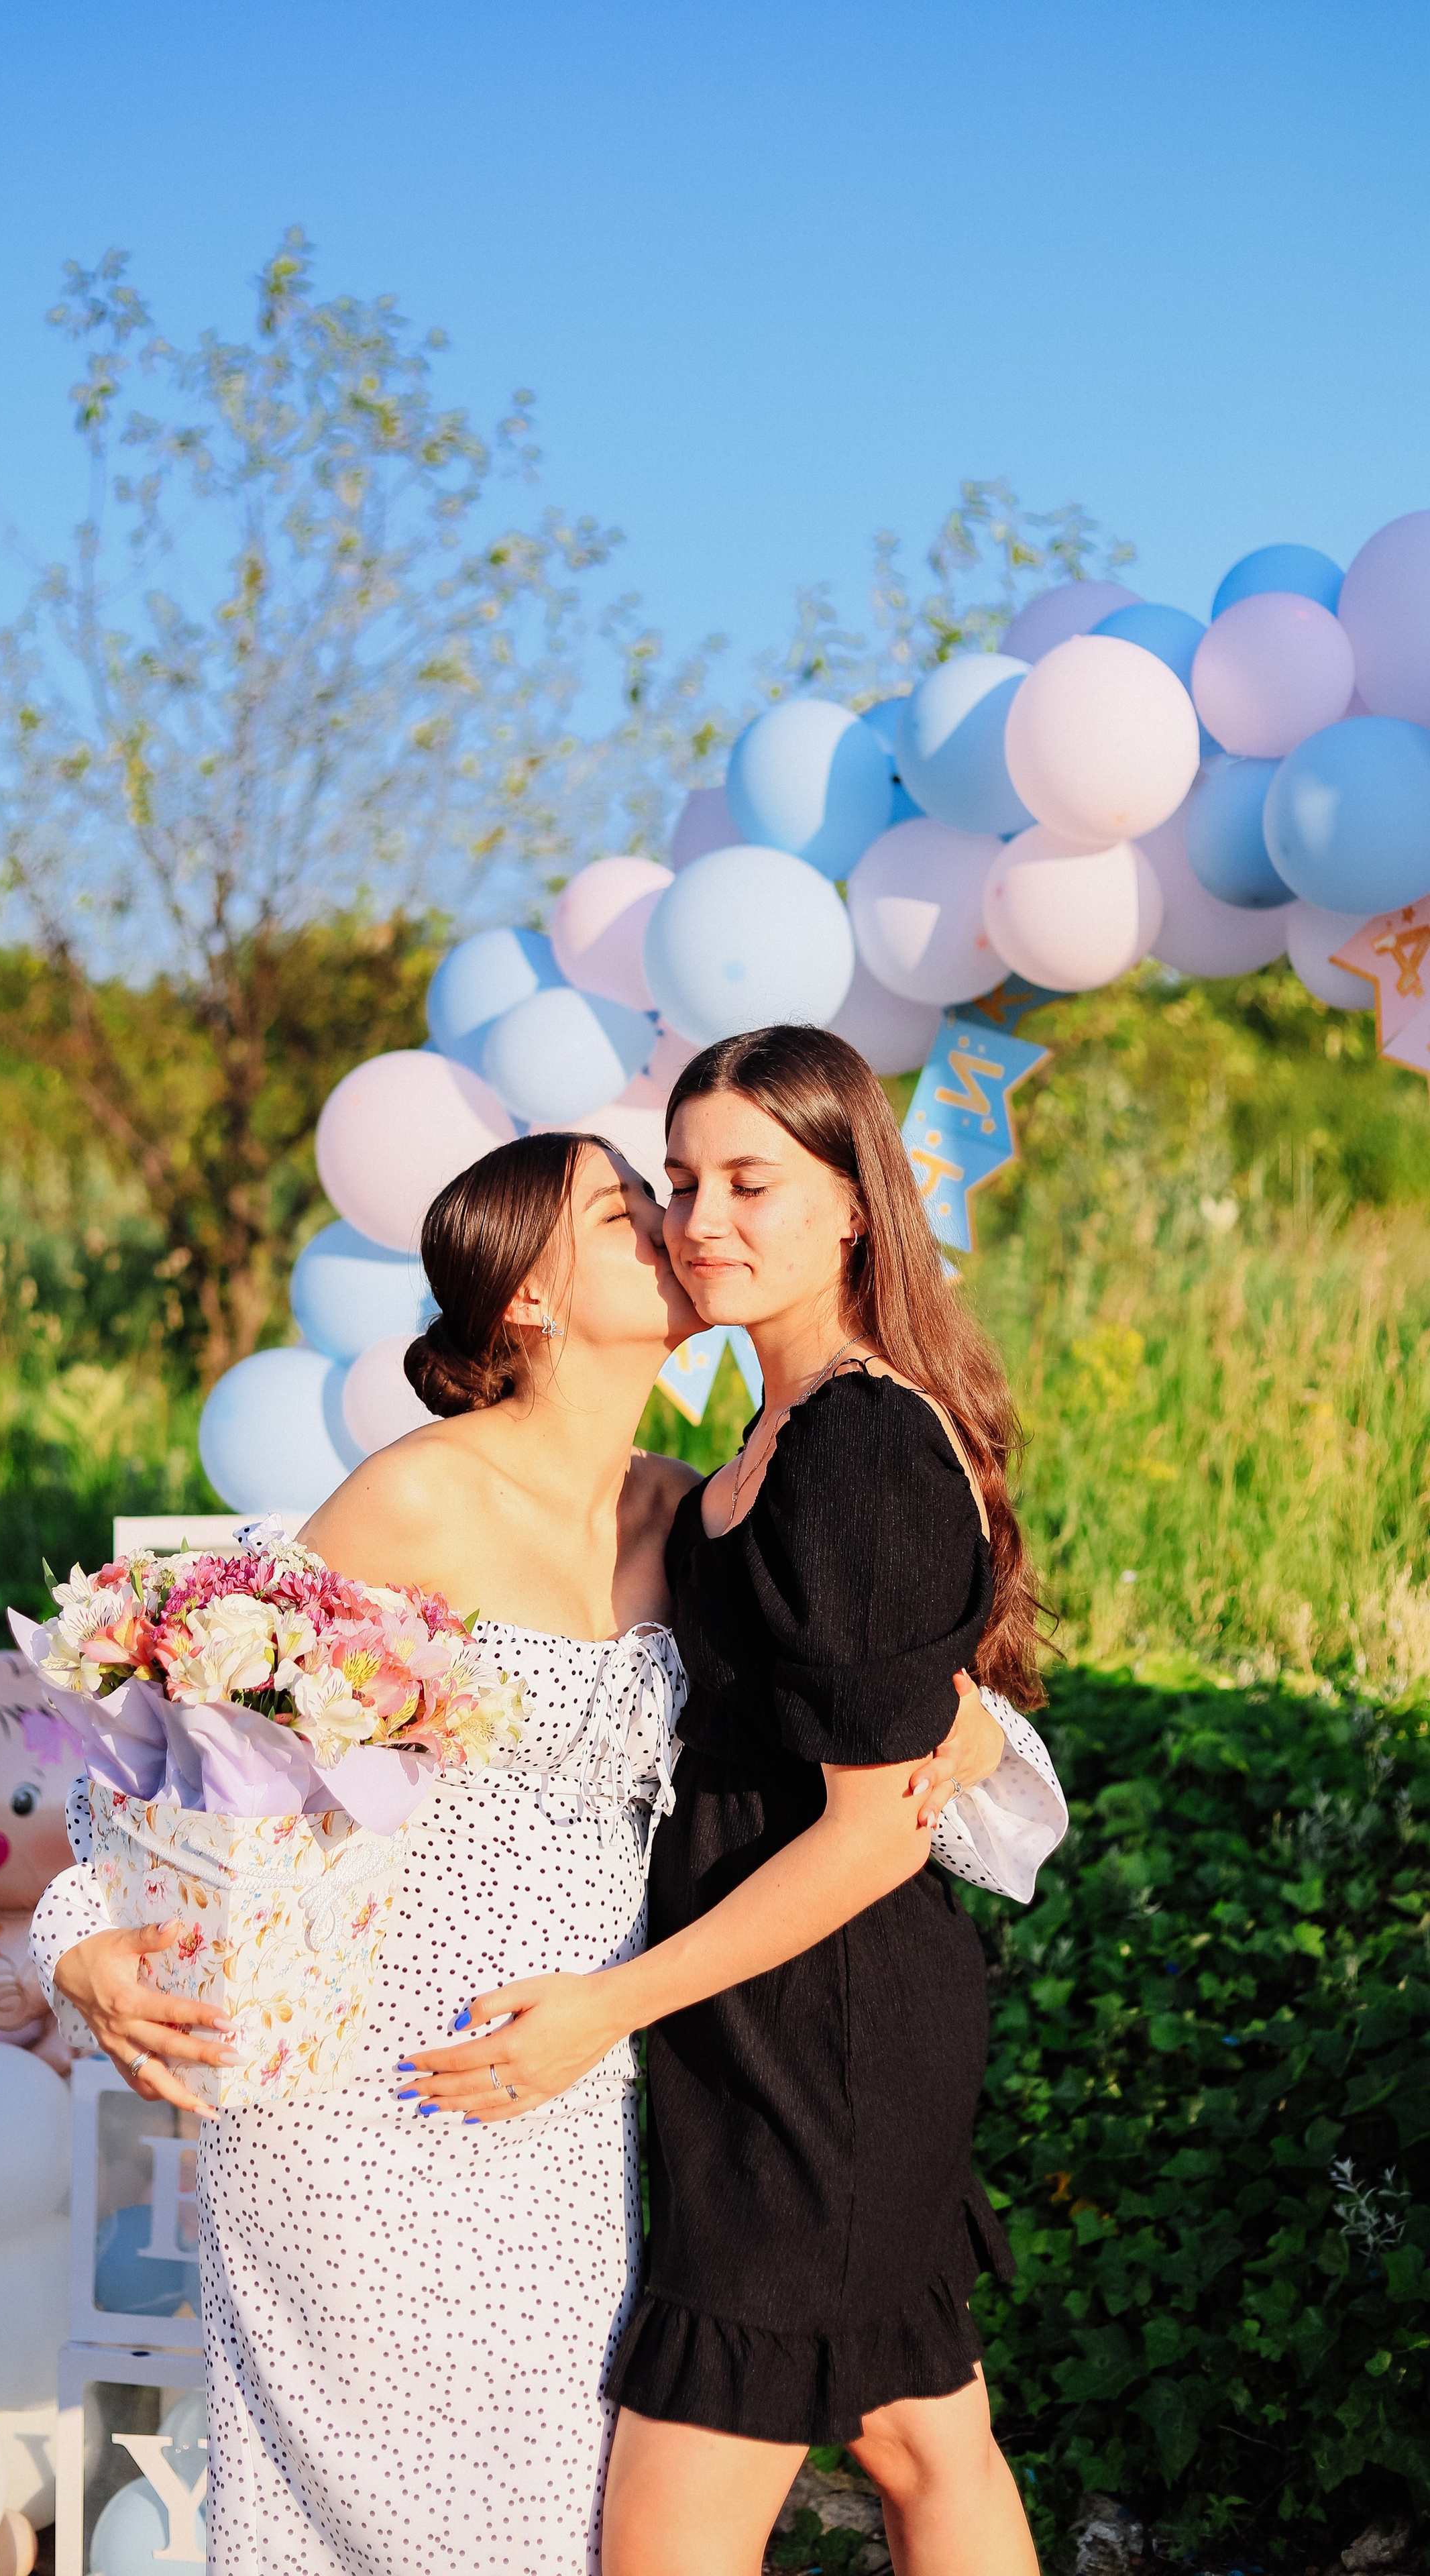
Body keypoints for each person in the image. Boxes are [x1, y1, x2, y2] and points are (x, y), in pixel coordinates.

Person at [31, 1125, 1013, 2575]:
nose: (677, 1227)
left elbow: (853, 1696)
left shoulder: (688, 1509)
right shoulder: (412, 1497)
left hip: (572, 2097)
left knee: (555, 2516)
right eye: (630, 1210)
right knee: (380, 2524)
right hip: (364, 2096)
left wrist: (978, 1727)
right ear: (528, 1298)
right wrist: (75, 1939)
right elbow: (183, 1761)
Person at [400, 1029, 1065, 2576]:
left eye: (749, 1181)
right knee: (922, 2437)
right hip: (760, 2013)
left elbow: (867, 1825)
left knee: (678, 2529)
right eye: (680, 1181)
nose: (699, 1220)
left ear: (850, 1203)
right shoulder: (742, 1450)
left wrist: (603, 2008)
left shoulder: (859, 1446)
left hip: (823, 2034)